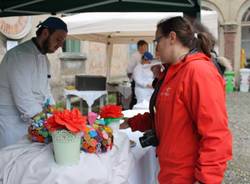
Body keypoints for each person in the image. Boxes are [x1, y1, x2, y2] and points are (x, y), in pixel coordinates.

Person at [120, 16, 232, 184]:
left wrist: (206, 180)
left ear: (172, 37)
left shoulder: (198, 71)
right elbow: (166, 117)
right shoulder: (173, 71)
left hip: (187, 175)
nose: (156, 48)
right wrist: (132, 122)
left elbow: (216, 134)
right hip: (169, 171)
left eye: (157, 40)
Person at [0, 17, 68, 148]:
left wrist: (56, 113)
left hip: (34, 120)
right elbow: (23, 98)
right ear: (45, 33)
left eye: (62, 41)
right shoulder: (18, 56)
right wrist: (48, 122)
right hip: (11, 124)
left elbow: (46, 91)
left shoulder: (45, 59)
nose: (60, 45)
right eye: (58, 39)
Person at [127, 40, 148, 109]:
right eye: (144, 47)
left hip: (145, 80)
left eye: (146, 47)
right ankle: (131, 110)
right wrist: (132, 78)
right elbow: (129, 69)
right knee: (135, 97)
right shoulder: (134, 56)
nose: (145, 49)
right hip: (136, 80)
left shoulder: (146, 55)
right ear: (139, 47)